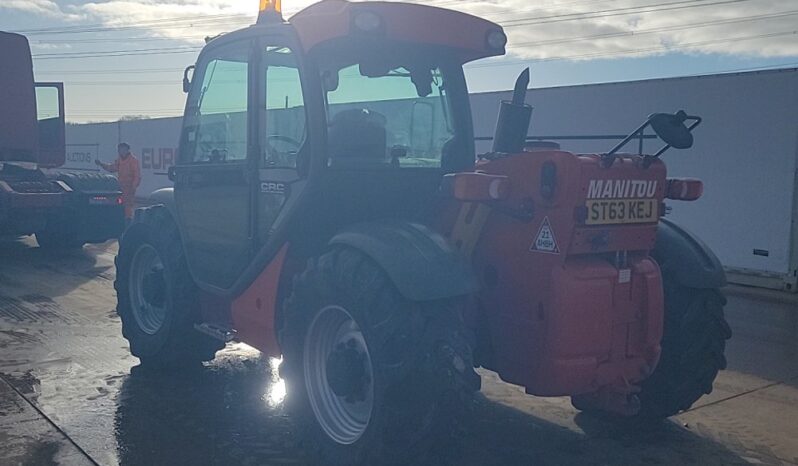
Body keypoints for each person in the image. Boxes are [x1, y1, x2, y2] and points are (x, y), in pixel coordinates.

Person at [96, 143, 141, 226]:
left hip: (129, 187)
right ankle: (121, 222)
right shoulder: (119, 160)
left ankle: (128, 224)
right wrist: (101, 164)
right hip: (120, 187)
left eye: (123, 149)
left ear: (127, 150)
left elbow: (137, 175)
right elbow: (112, 168)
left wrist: (133, 187)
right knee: (120, 205)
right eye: (120, 150)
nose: (121, 151)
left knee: (128, 206)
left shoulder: (133, 160)